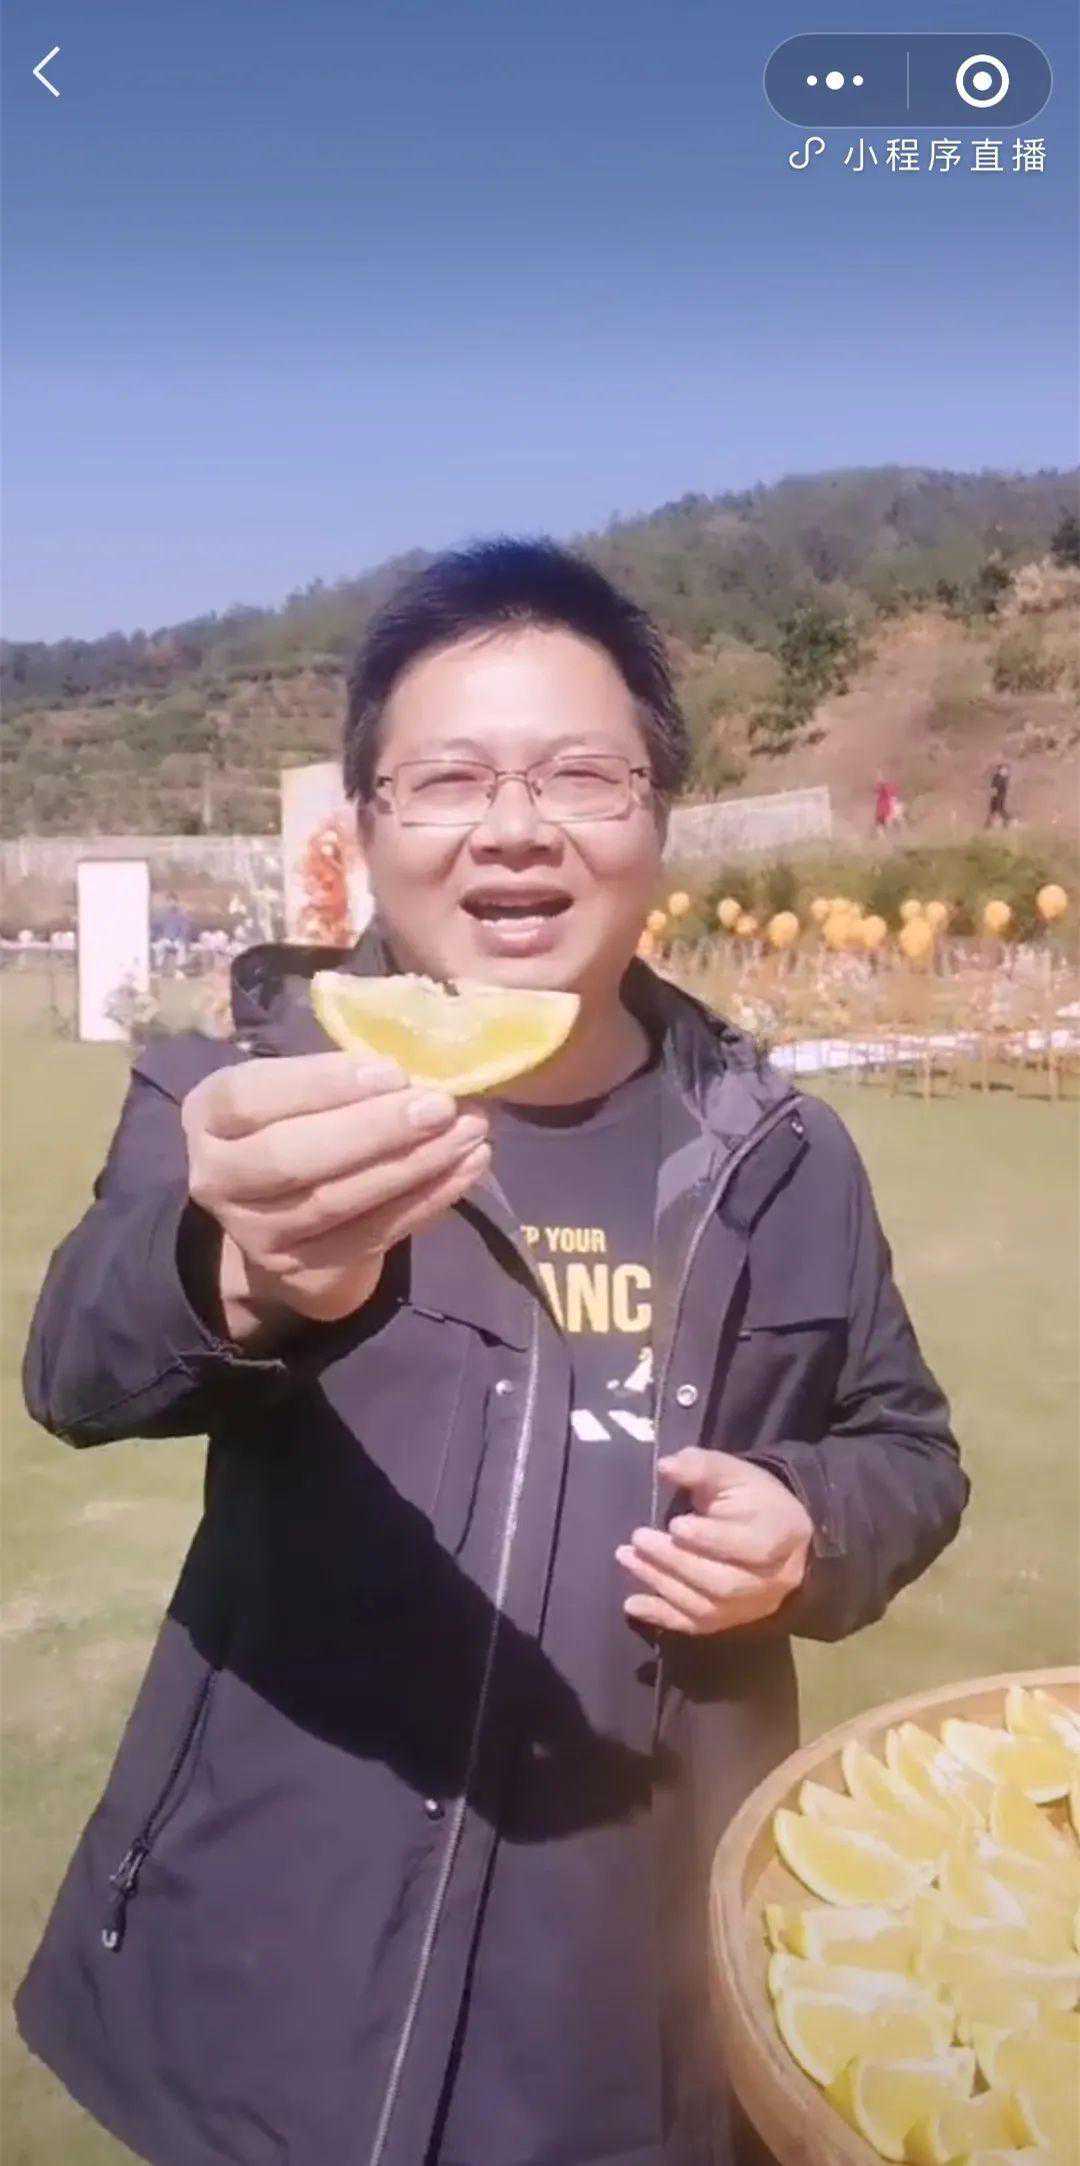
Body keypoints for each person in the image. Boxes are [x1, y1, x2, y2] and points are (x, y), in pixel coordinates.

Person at [15, 540, 968, 2166]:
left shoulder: (784, 1152)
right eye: (448, 778)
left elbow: (910, 1449)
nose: (515, 827)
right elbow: (79, 1368)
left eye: (581, 775)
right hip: (287, 1983)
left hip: (633, 2013)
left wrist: (812, 1526)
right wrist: (240, 1269)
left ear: (656, 818)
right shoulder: (252, 1091)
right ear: (366, 825)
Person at [986, 758, 1011, 829]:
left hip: (1000, 796)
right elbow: (993, 785)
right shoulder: (997, 776)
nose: (1001, 770)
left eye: (1003, 769)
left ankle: (1006, 822)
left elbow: (1001, 787)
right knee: (994, 810)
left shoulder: (1003, 778)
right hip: (995, 796)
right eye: (1001, 769)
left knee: (999, 810)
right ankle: (988, 826)